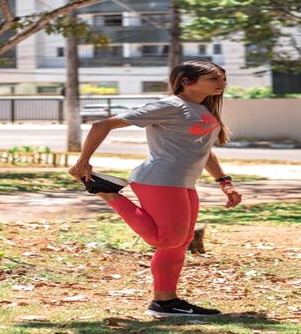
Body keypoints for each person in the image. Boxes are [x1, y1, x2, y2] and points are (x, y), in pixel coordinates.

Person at [68, 60, 242, 317]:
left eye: (223, 78)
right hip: (159, 179)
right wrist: (83, 161)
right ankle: (108, 193)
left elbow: (204, 151)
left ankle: (165, 302)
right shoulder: (169, 106)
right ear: (187, 81)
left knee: (180, 242)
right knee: (165, 239)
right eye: (215, 78)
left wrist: (224, 183)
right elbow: (101, 125)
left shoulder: (203, 110)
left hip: (183, 182)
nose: (222, 83)